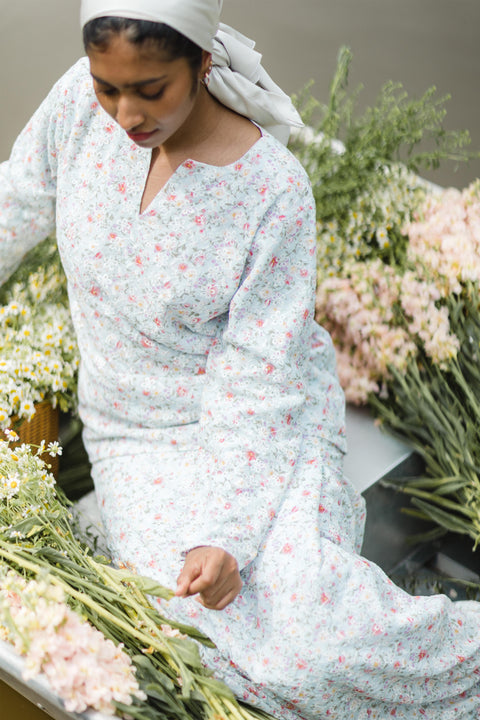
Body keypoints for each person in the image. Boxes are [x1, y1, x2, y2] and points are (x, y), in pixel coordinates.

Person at [1, 1, 480, 717]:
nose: (124, 113)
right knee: (200, 634)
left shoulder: (271, 189)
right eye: (109, 86)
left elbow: (260, 377)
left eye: (150, 89)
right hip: (133, 437)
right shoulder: (79, 102)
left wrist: (224, 533)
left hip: (258, 425)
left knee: (315, 638)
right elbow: (15, 203)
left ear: (201, 62)